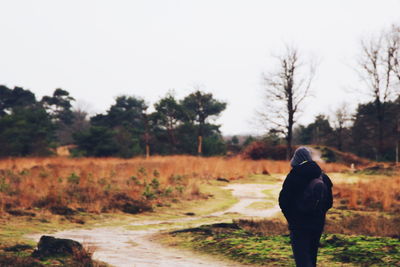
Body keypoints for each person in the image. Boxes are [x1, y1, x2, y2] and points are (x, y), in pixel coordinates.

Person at [279, 147, 333, 267]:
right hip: (317, 225)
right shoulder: (323, 176)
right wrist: (319, 215)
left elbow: (283, 201)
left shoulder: (294, 176)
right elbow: (329, 203)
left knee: (302, 258)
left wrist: (292, 219)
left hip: (299, 225)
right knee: (311, 256)